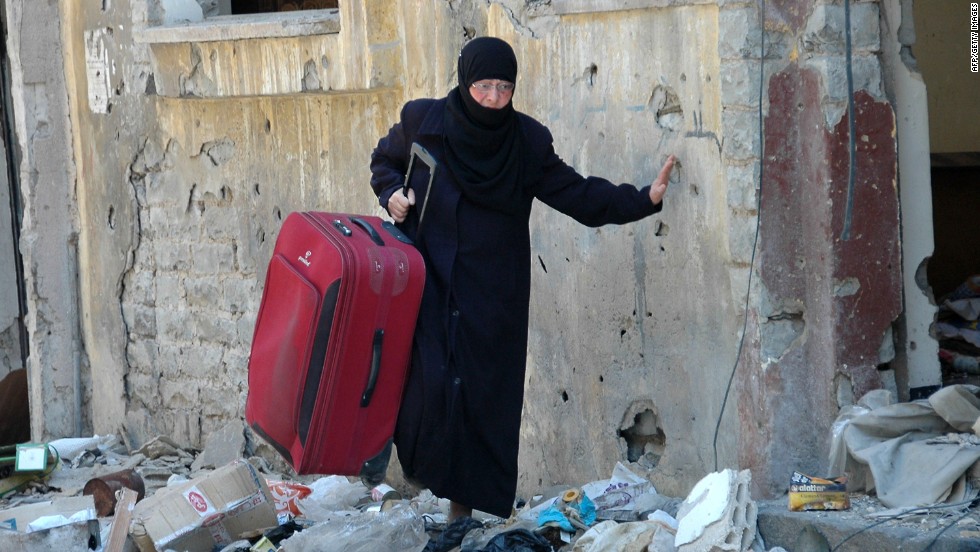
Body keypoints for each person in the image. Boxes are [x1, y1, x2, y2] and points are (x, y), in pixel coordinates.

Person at [369, 36, 676, 523]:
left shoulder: (526, 143)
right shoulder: (423, 123)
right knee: (422, 397)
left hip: (492, 296)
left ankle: (459, 516)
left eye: (504, 87)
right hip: (430, 288)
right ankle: (419, 481)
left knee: (480, 406)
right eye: (483, 86)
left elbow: (578, 196)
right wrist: (391, 194)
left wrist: (644, 199)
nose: (493, 98)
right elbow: (384, 162)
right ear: (465, 80)